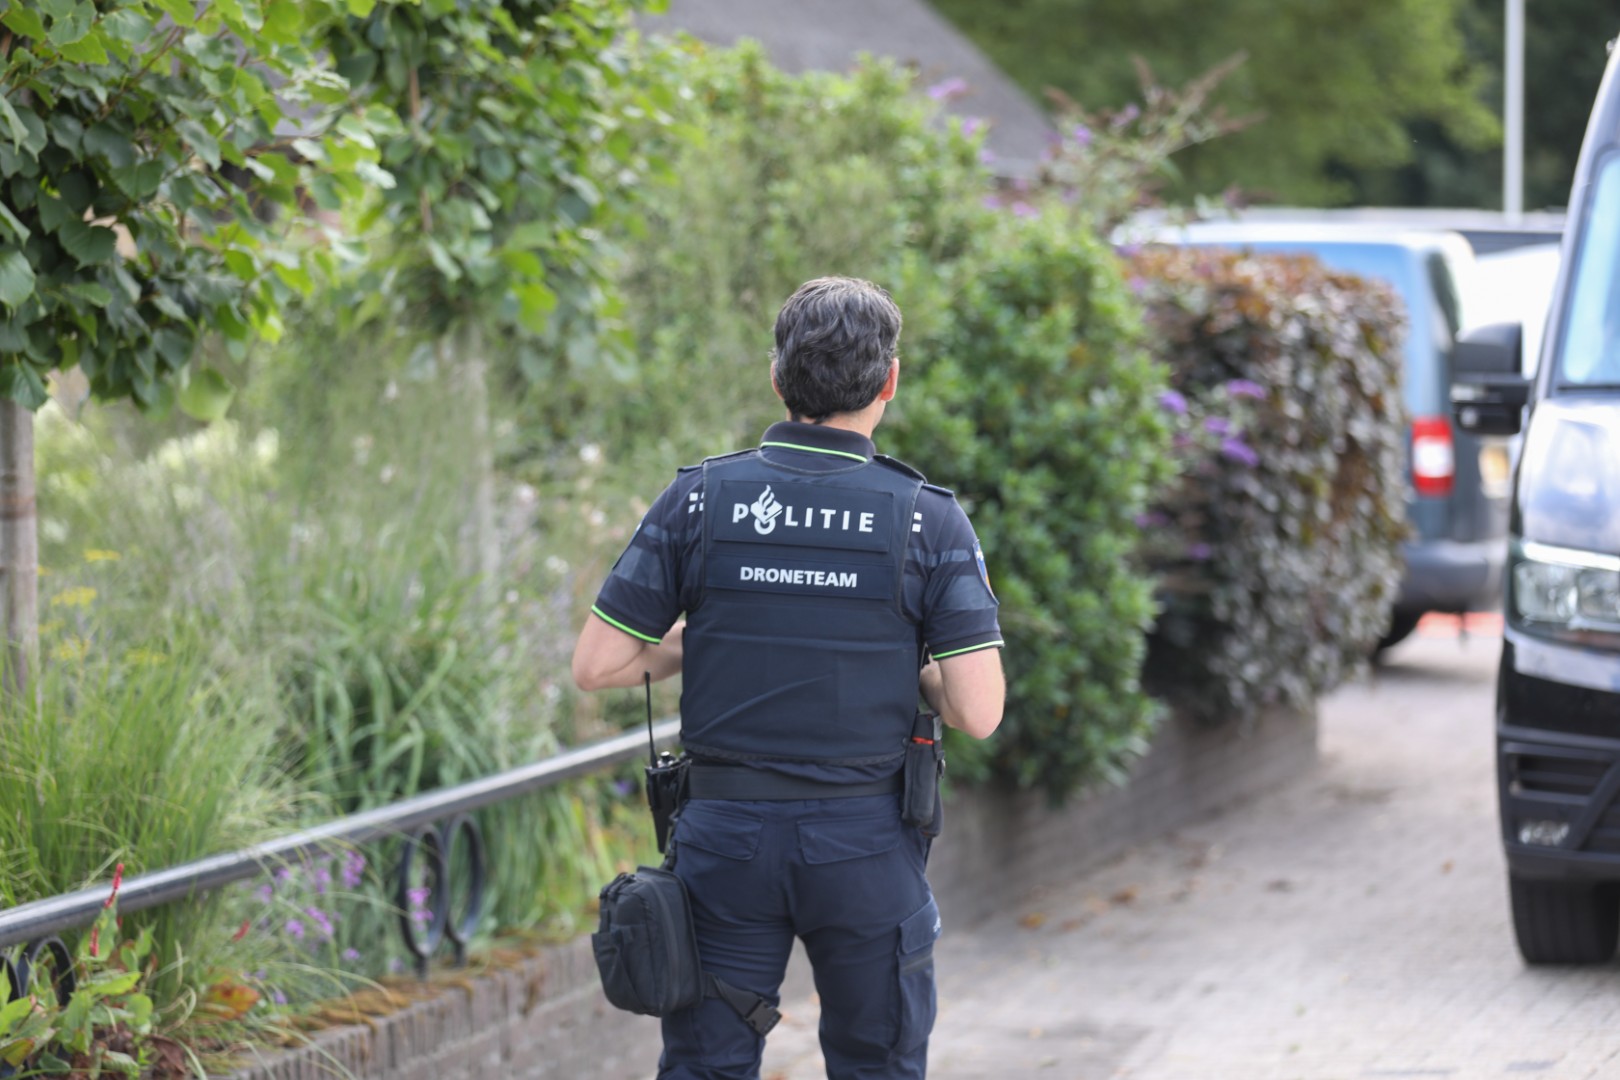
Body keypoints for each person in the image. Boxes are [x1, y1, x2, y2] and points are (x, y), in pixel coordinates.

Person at [572, 276, 1005, 1080]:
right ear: (890, 381)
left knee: (706, 1066)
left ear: (777, 378)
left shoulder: (698, 499)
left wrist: (704, 637)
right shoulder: (927, 517)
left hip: (724, 844)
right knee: (877, 1063)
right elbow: (978, 711)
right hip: (865, 844)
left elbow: (598, 666)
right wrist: (914, 671)